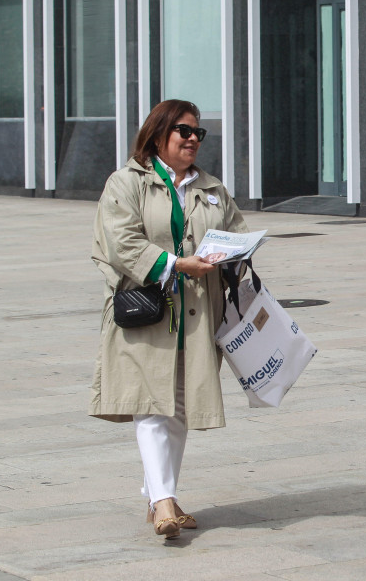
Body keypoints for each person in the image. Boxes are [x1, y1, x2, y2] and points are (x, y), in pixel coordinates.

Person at [90, 99, 248, 540]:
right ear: (159, 134)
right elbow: (121, 242)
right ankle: (162, 502)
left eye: (199, 132)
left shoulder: (212, 187)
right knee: (151, 403)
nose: (193, 138)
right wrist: (176, 265)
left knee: (178, 405)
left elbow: (234, 229)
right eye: (184, 130)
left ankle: (163, 495)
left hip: (197, 315)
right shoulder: (127, 182)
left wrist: (233, 250)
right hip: (147, 308)